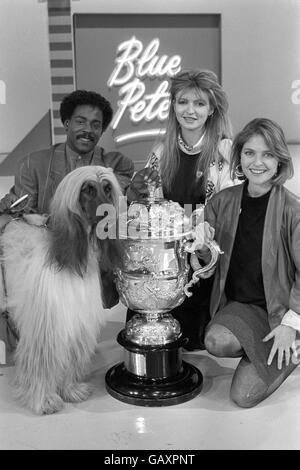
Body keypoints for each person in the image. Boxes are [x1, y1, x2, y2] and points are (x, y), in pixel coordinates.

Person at [127, 69, 236, 350]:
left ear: (212, 109)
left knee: (195, 343)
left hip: (206, 257)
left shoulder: (226, 151)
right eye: (183, 102)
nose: (190, 110)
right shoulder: (160, 151)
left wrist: (196, 234)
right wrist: (139, 193)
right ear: (173, 106)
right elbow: (150, 214)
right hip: (167, 257)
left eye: (199, 103)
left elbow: (229, 213)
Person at [199, 117, 300, 407]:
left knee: (242, 397)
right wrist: (202, 247)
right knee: (215, 341)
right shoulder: (221, 202)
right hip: (241, 306)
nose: (258, 162)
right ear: (239, 157)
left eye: (268, 154)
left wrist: (291, 325)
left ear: (280, 160)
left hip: (280, 311)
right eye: (249, 153)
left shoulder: (293, 210)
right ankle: (261, 347)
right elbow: (209, 264)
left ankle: (293, 346)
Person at [0, 89, 137, 214]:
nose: (88, 130)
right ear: (67, 124)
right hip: (45, 239)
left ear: (101, 131)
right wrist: (10, 207)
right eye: (80, 122)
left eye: (95, 125)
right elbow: (24, 217)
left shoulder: (117, 164)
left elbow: (122, 210)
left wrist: (135, 191)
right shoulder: (32, 165)